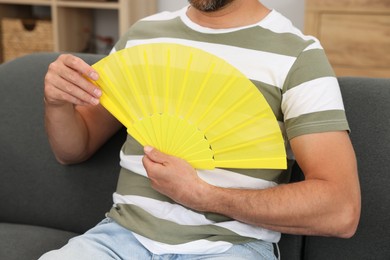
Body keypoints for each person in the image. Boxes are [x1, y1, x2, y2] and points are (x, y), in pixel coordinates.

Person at [40, 0, 361, 259]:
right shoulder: (143, 35)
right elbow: (73, 150)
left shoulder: (299, 55)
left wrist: (206, 196)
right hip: (118, 238)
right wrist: (57, 103)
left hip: (229, 248)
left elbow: (341, 210)